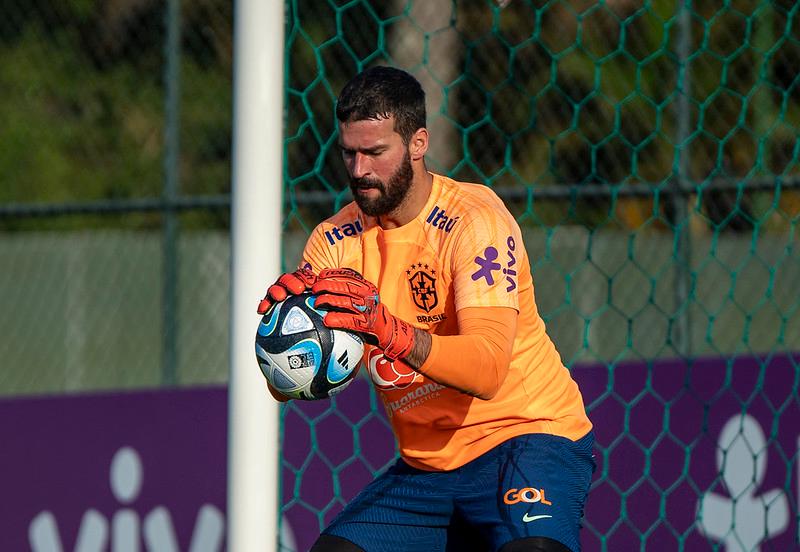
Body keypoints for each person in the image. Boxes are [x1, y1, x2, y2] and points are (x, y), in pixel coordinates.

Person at [258, 66, 595, 552]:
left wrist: (390, 332)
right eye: (349, 153)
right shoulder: (333, 242)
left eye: (375, 153)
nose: (359, 170)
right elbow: (292, 383)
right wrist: (284, 337)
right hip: (429, 468)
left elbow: (487, 368)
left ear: (418, 143)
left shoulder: (472, 221)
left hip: (527, 437)